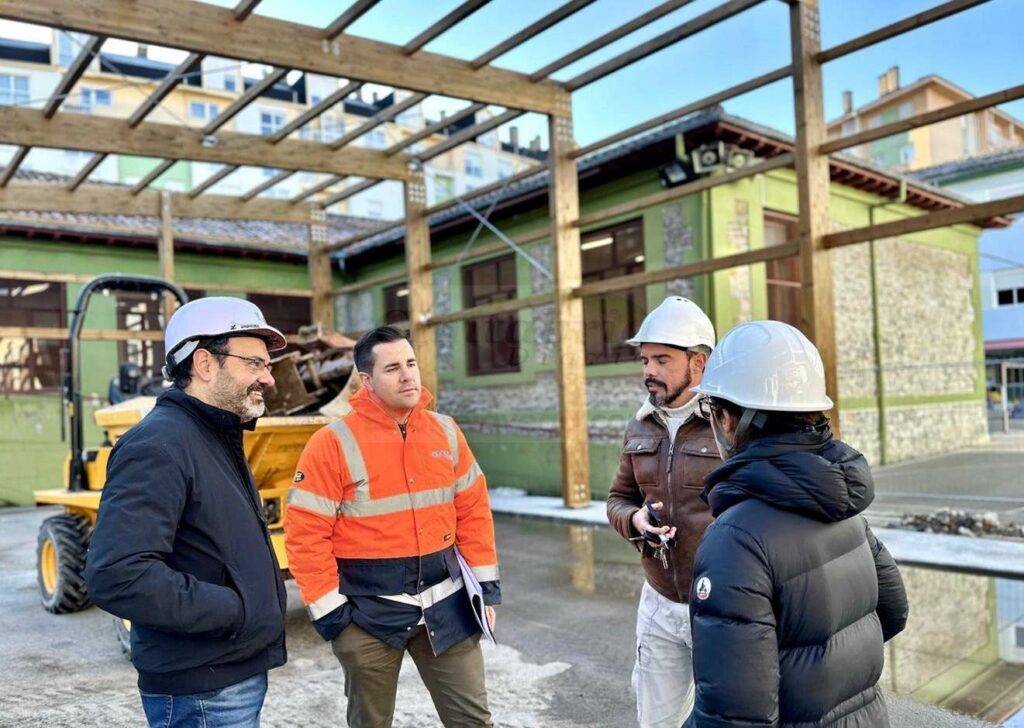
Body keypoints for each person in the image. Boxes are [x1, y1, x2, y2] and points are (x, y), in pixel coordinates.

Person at [685, 320, 909, 727]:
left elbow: (734, 718)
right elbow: (893, 612)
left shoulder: (735, 540)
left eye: (711, 411)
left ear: (731, 419)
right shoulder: (840, 503)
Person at [84, 297, 290, 727]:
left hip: (227, 673)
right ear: (205, 363)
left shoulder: (214, 437)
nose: (268, 378)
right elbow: (117, 574)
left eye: (267, 365)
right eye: (254, 363)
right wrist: (235, 611)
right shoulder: (158, 446)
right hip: (202, 690)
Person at [284, 325, 500, 728]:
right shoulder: (331, 443)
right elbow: (305, 534)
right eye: (393, 368)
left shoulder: (446, 432)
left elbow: (472, 512)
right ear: (366, 380)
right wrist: (334, 619)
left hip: (447, 608)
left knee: (474, 721)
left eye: (412, 363)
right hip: (367, 618)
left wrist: (485, 590)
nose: (408, 376)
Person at [606, 296, 719, 728]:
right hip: (657, 603)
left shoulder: (728, 424)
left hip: (721, 605)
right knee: (657, 722)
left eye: (661, 360)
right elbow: (618, 498)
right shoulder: (639, 424)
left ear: (700, 362)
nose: (648, 370)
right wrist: (634, 521)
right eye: (644, 360)